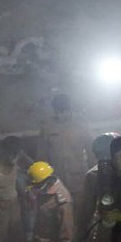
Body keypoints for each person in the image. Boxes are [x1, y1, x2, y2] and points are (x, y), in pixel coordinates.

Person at [37, 93, 94, 226]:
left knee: (81, 212)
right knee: (61, 215)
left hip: (79, 178)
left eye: (64, 111)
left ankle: (81, 240)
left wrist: (94, 175)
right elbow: (42, 156)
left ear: (70, 109)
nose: (61, 114)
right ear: (54, 110)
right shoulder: (47, 127)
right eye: (58, 111)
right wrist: (43, 180)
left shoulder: (81, 124)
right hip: (57, 180)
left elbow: (91, 151)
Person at [26, 161, 75, 242]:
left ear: (45, 181)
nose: (34, 188)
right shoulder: (44, 191)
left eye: (36, 185)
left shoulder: (62, 201)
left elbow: (66, 232)